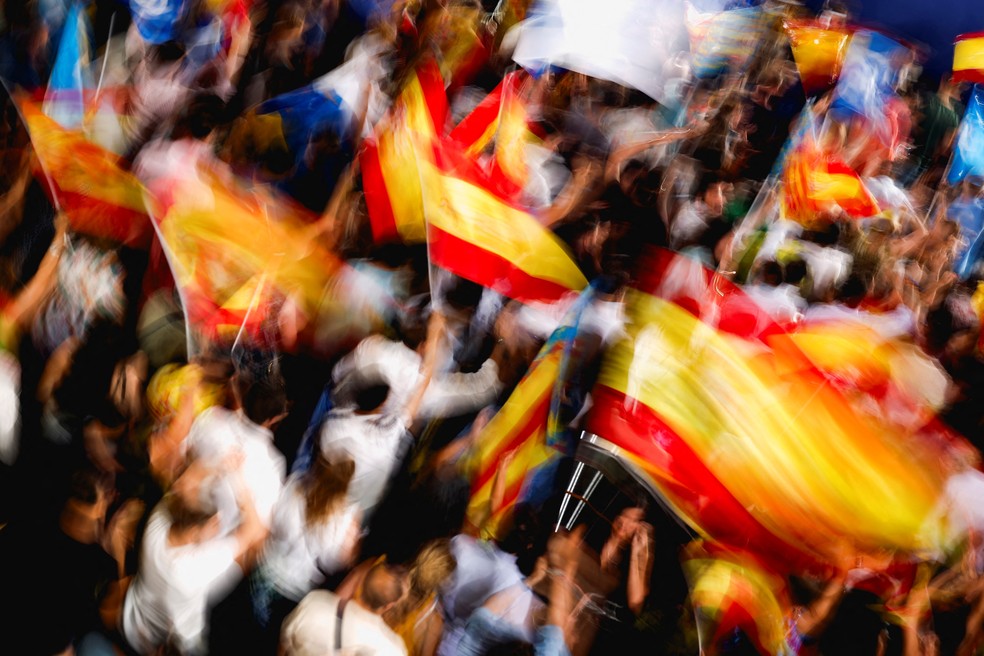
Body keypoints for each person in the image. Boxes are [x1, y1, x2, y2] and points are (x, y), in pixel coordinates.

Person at [121, 454, 267, 655]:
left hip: (134, 619)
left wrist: (220, 468)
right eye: (215, 523)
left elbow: (182, 487)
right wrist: (237, 478)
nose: (218, 525)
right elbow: (256, 530)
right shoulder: (192, 568)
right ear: (194, 532)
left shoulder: (158, 520)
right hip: (174, 642)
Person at [280, 560, 409, 656]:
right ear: (389, 605)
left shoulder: (316, 602)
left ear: (362, 583)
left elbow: (285, 642)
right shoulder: (392, 649)